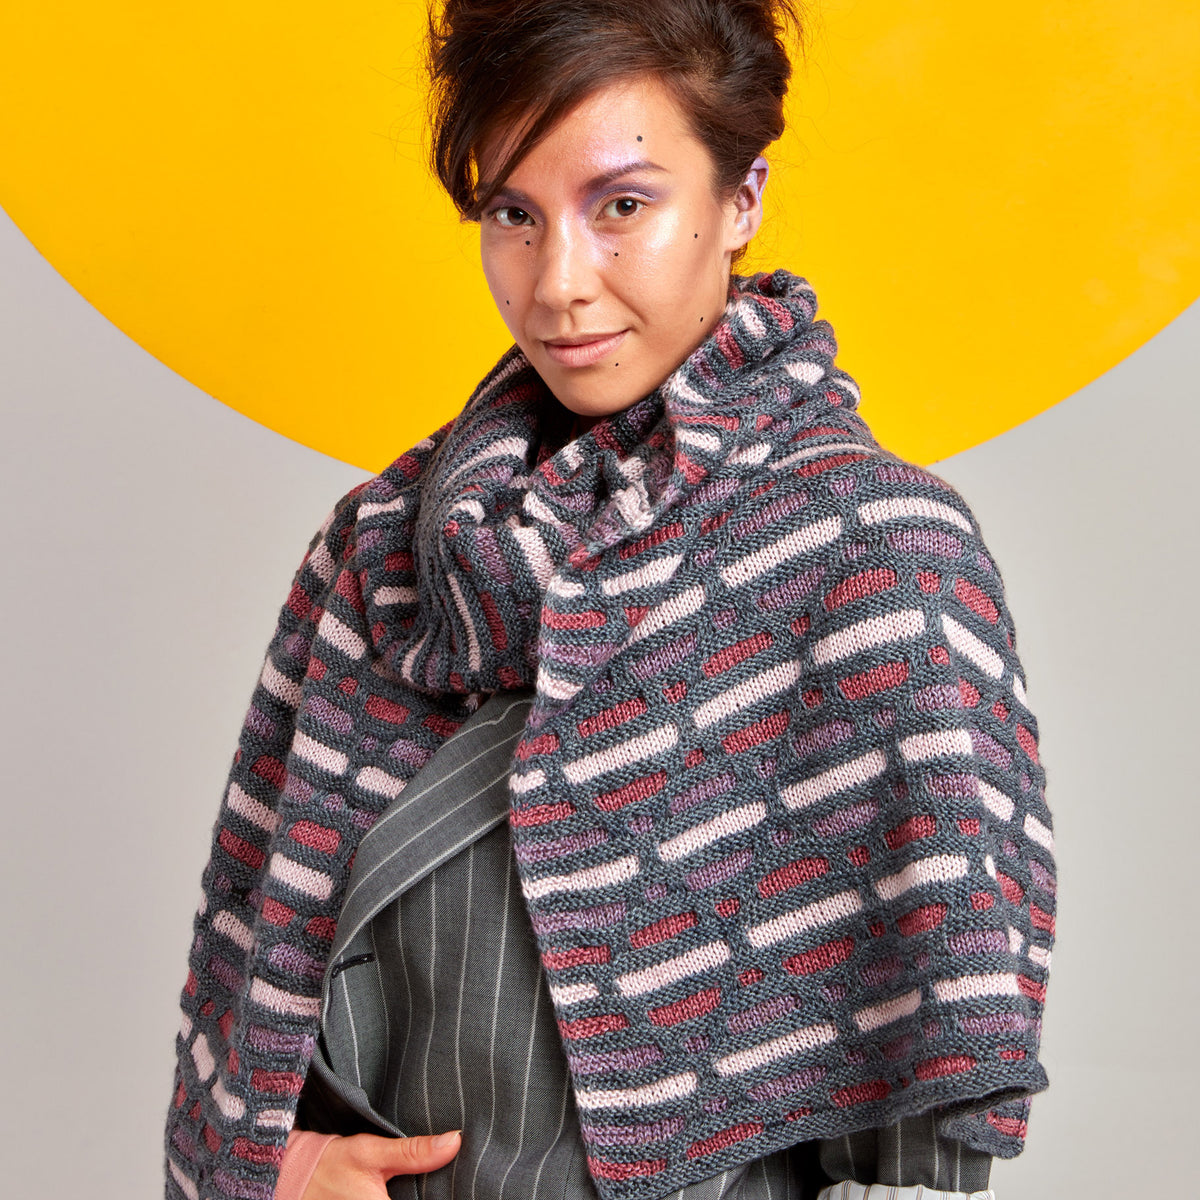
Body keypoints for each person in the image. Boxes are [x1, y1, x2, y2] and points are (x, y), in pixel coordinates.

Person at [164, 2, 1055, 1198]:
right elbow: (255, 980)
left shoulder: (875, 557)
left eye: (622, 205)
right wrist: (282, 1163)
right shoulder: (380, 554)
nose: (557, 285)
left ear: (741, 201)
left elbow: (930, 1107)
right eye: (513, 215)